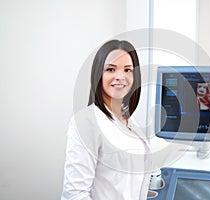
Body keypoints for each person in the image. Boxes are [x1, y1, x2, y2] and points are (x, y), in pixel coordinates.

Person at [61, 40, 152, 200]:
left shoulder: (128, 121)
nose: (120, 77)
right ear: (98, 74)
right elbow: (75, 195)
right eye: (111, 69)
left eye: (127, 70)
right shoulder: (86, 122)